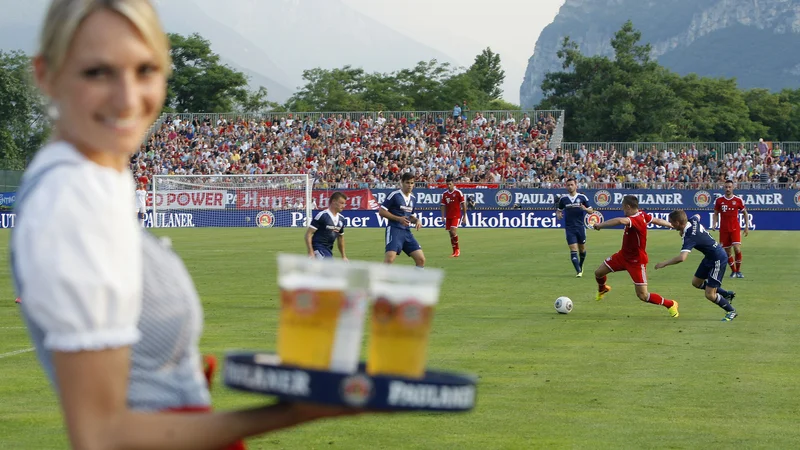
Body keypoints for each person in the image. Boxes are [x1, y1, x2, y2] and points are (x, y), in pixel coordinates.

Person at [10, 2, 366, 449]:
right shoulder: (72, 200)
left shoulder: (99, 177)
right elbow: (102, 436)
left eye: (146, 69)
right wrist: (294, 411)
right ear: (46, 75)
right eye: (97, 72)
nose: (128, 97)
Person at [592, 195, 680, 318]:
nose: (622, 210)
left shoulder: (636, 219)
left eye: (623, 207)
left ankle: (670, 304)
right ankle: (602, 288)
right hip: (622, 256)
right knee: (599, 273)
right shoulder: (642, 214)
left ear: (628, 207)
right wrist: (672, 225)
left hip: (636, 262)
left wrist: (600, 225)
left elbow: (620, 221)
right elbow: (657, 220)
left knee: (643, 295)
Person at [654, 210, 738, 321]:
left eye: (672, 223)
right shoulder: (692, 220)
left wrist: (664, 263)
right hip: (710, 256)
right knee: (696, 283)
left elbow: (682, 258)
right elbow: (697, 216)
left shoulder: (690, 236)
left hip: (718, 259)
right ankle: (725, 294)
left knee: (710, 294)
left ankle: (731, 311)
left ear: (678, 222)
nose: (671, 225)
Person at [379, 172, 425, 267]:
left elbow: (410, 216)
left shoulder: (413, 198)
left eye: (412, 183)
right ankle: (381, 280)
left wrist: (416, 220)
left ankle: (416, 282)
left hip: (407, 232)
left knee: (420, 259)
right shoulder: (394, 195)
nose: (410, 185)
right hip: (394, 230)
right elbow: (382, 211)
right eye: (407, 182)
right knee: (390, 259)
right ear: (402, 182)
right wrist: (398, 219)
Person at [555, 178, 592, 277]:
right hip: (569, 228)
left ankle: (580, 265)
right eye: (568, 185)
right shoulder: (563, 199)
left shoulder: (582, 197)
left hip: (580, 227)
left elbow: (591, 211)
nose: (570, 187)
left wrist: (585, 208)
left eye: (572, 185)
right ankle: (578, 271)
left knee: (582, 249)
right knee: (573, 249)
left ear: (576, 186)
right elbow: (559, 210)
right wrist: (558, 215)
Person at [713, 180, 750, 278]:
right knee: (727, 252)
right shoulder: (719, 200)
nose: (728, 189)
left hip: (735, 228)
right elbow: (716, 213)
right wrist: (714, 224)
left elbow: (745, 213)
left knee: (737, 249)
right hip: (724, 229)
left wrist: (746, 226)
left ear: (733, 187)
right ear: (724, 188)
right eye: (726, 187)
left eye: (730, 187)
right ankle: (733, 271)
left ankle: (738, 271)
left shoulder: (738, 200)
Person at [305, 192, 348, 260]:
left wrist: (343, 256)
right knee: (329, 267)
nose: (344, 206)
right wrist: (310, 251)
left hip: (328, 250)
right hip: (317, 248)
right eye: (341, 203)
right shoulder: (322, 215)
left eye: (344, 203)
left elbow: (340, 238)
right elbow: (308, 234)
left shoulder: (341, 219)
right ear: (333, 201)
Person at [440, 176, 466, 257]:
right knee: (450, 234)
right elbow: (443, 205)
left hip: (456, 215)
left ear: (453, 184)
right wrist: (443, 216)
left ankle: (457, 250)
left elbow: (463, 204)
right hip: (449, 216)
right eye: (447, 184)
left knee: (453, 231)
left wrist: (464, 216)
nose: (448, 186)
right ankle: (454, 251)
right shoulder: (445, 194)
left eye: (450, 184)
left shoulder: (458, 192)